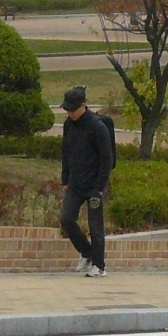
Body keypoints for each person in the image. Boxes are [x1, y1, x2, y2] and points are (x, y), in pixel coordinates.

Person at [59, 85, 114, 276]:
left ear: (83, 105)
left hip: (94, 185)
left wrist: (99, 187)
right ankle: (87, 252)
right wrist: (65, 179)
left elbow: (107, 159)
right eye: (67, 110)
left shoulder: (98, 127)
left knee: (95, 226)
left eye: (73, 109)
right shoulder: (68, 125)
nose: (70, 113)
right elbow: (66, 152)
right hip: (75, 183)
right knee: (66, 219)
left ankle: (99, 266)